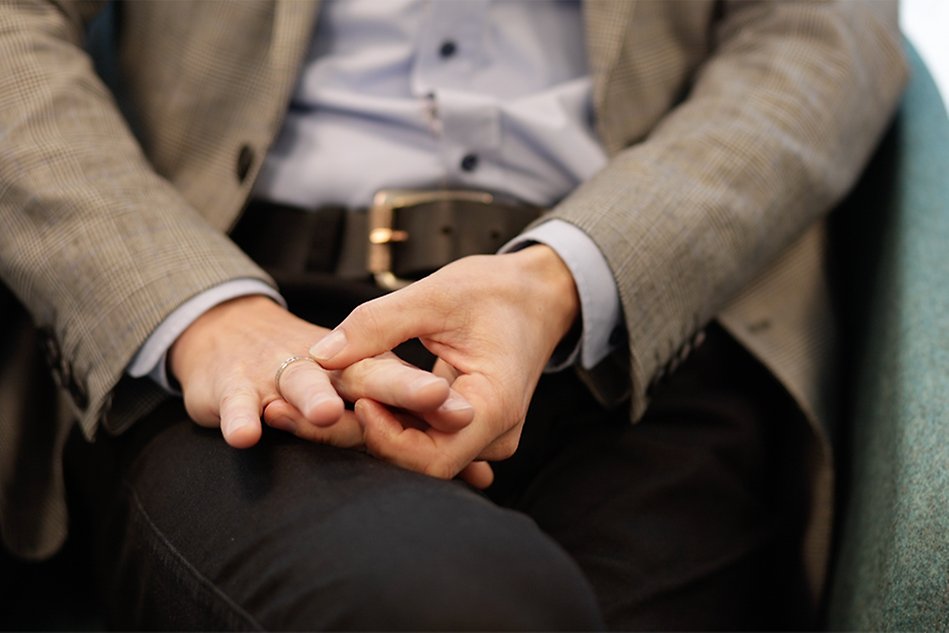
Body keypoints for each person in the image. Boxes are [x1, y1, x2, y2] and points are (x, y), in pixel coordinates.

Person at [0, 0, 906, 629]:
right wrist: (201, 310)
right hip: (260, 343)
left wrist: (559, 281)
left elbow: (823, 37)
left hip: (637, 331)